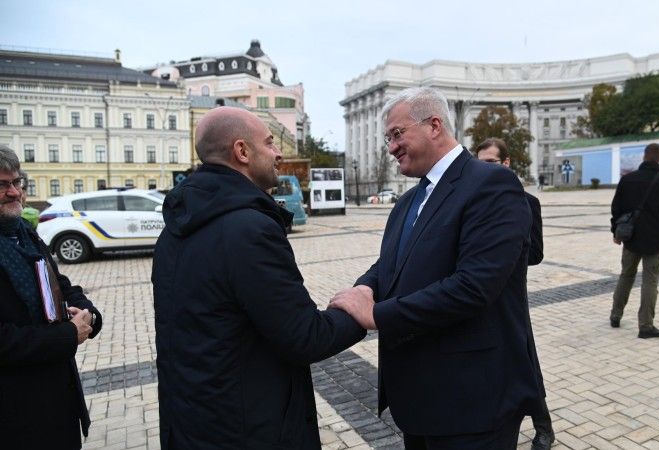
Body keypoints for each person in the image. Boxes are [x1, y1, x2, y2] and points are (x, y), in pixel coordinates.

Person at [329, 87, 543, 449]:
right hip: (417, 400)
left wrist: (377, 314)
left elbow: (473, 287)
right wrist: (366, 286)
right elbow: (392, 262)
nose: (391, 146)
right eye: (387, 138)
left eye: (397, 134)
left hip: (472, 402)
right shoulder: (409, 200)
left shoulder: (492, 184)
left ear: (434, 125)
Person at [151, 107, 365, 449]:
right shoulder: (248, 229)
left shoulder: (176, 229)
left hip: (193, 423)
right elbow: (304, 337)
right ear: (242, 152)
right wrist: (358, 312)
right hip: (249, 430)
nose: (279, 153)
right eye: (269, 143)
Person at [0, 144, 102, 449]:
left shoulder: (23, 233)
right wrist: (66, 336)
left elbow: (59, 284)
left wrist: (88, 314)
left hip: (56, 401)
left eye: (17, 182)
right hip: (14, 416)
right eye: (2, 185)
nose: (15, 192)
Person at [474, 138, 553, 449]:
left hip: (511, 296)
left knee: (525, 363)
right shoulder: (475, 200)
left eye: (491, 162)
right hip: (477, 294)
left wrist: (505, 252)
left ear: (506, 163)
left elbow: (536, 254)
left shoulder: (528, 202)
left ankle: (544, 427)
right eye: (480, 162)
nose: (485, 168)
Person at [610, 143, 659, 338]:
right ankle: (645, 326)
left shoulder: (627, 180)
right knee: (650, 281)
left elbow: (616, 208)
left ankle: (615, 315)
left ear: (644, 157)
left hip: (631, 238)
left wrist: (616, 232)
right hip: (657, 240)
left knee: (626, 275)